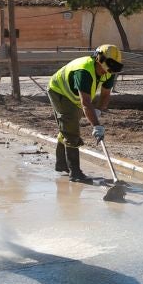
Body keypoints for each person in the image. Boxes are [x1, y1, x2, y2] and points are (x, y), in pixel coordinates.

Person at [47, 44, 123, 184]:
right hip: (59, 91)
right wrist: (96, 126)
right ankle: (75, 173)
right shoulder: (84, 72)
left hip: (76, 97)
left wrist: (98, 110)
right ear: (99, 59)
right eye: (111, 65)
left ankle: (61, 164)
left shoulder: (108, 72)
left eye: (116, 66)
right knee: (71, 127)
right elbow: (86, 103)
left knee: (68, 126)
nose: (112, 70)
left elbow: (105, 95)